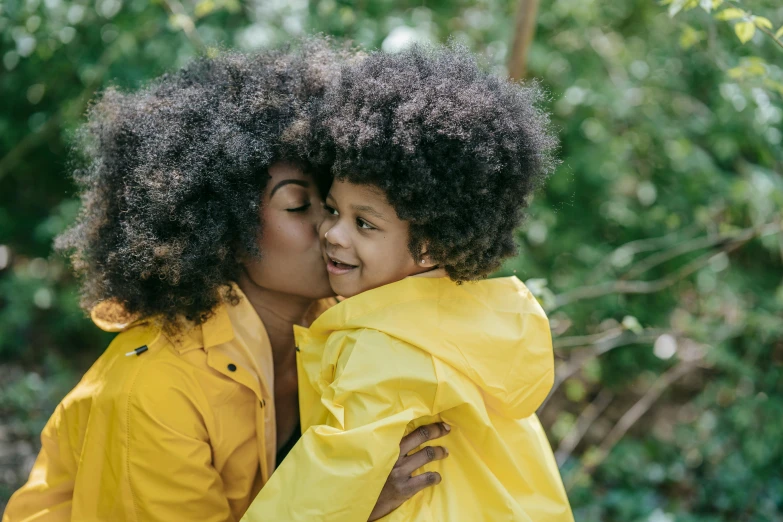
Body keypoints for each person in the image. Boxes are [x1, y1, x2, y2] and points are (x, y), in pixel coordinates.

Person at [3, 39, 449, 522]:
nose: (332, 228)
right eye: (300, 206)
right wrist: (352, 506)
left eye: (337, 203)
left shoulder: (345, 333)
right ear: (220, 227)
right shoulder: (155, 391)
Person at [242, 44, 573, 521]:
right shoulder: (473, 321)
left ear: (430, 246)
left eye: (365, 224)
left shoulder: (386, 349)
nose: (331, 233)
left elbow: (315, 498)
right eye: (334, 210)